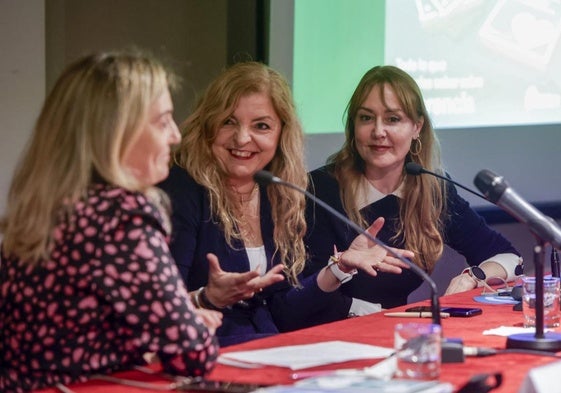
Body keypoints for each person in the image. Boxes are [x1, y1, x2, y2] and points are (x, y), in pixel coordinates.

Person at [0, 51, 221, 393]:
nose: (176, 135)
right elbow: (192, 356)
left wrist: (175, 325)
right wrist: (190, 326)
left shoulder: (44, 207)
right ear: (118, 132)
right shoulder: (122, 218)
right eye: (163, 121)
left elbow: (77, 328)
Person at [158, 61, 414, 347]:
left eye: (261, 126)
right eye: (228, 121)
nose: (242, 138)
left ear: (281, 133)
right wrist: (208, 298)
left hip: (270, 351)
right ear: (208, 125)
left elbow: (285, 313)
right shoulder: (182, 190)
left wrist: (339, 268)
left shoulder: (277, 194)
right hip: (205, 357)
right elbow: (158, 309)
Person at [305, 65, 522, 310]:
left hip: (398, 331)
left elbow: (510, 256)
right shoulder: (319, 190)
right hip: (330, 333)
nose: (378, 131)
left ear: (417, 127)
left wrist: (472, 277)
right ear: (353, 126)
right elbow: (304, 294)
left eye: (393, 119)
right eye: (366, 118)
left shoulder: (432, 189)